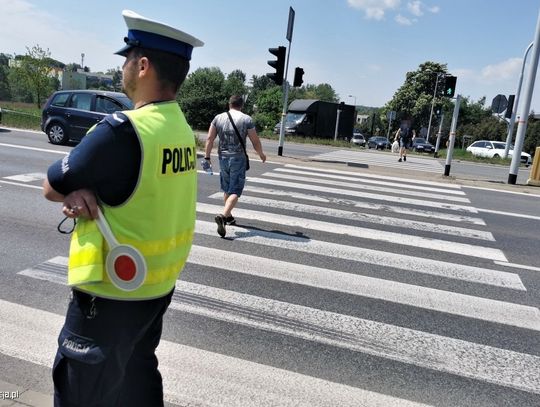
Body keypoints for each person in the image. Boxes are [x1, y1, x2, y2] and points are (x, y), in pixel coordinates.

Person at [42, 9, 203, 407]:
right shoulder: (181, 129)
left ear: (143, 65)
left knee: (84, 394)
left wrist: (71, 191)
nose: (123, 69)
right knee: (135, 382)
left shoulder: (122, 131)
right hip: (155, 289)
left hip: (108, 297)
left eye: (127, 60)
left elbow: (50, 184)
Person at [204, 95, 266, 238]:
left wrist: (207, 157)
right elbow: (255, 140)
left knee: (227, 188)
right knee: (235, 190)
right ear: (241, 105)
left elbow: (209, 138)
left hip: (223, 158)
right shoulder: (246, 119)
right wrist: (261, 154)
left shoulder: (217, 118)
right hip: (238, 158)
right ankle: (223, 216)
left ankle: (229, 217)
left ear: (229, 104)